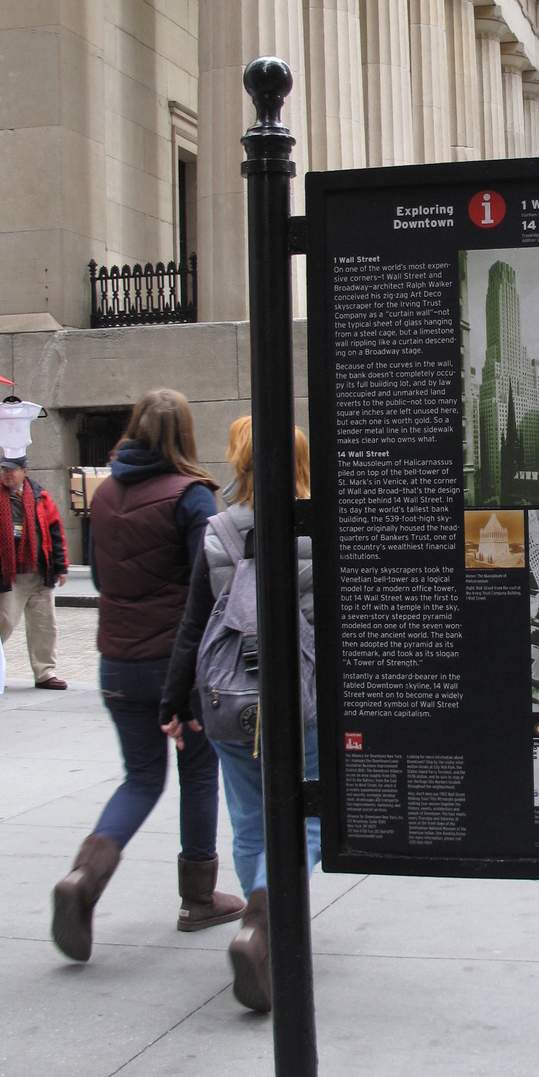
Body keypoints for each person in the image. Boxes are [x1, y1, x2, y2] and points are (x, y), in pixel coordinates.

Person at [51, 389, 243, 961]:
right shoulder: (192, 496)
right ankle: (199, 899)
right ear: (185, 433)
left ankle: (84, 877)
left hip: (116, 661)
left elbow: (102, 581)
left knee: (140, 778)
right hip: (176, 664)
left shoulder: (106, 494)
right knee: (199, 772)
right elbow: (214, 587)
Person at [161, 420, 320, 1012]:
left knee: (251, 823)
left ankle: (259, 912)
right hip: (305, 701)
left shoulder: (218, 531)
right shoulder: (322, 528)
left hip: (231, 702)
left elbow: (194, 625)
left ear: (239, 464)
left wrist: (174, 702)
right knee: (312, 816)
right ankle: (265, 915)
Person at [0, 455, 69, 689]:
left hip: (39, 573)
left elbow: (55, 532)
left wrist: (61, 566)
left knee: (44, 625)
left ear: (24, 471)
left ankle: (45, 672)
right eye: (4, 470)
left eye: (12, 470)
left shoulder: (41, 497)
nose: (7, 474)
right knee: (2, 623)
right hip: (7, 575)